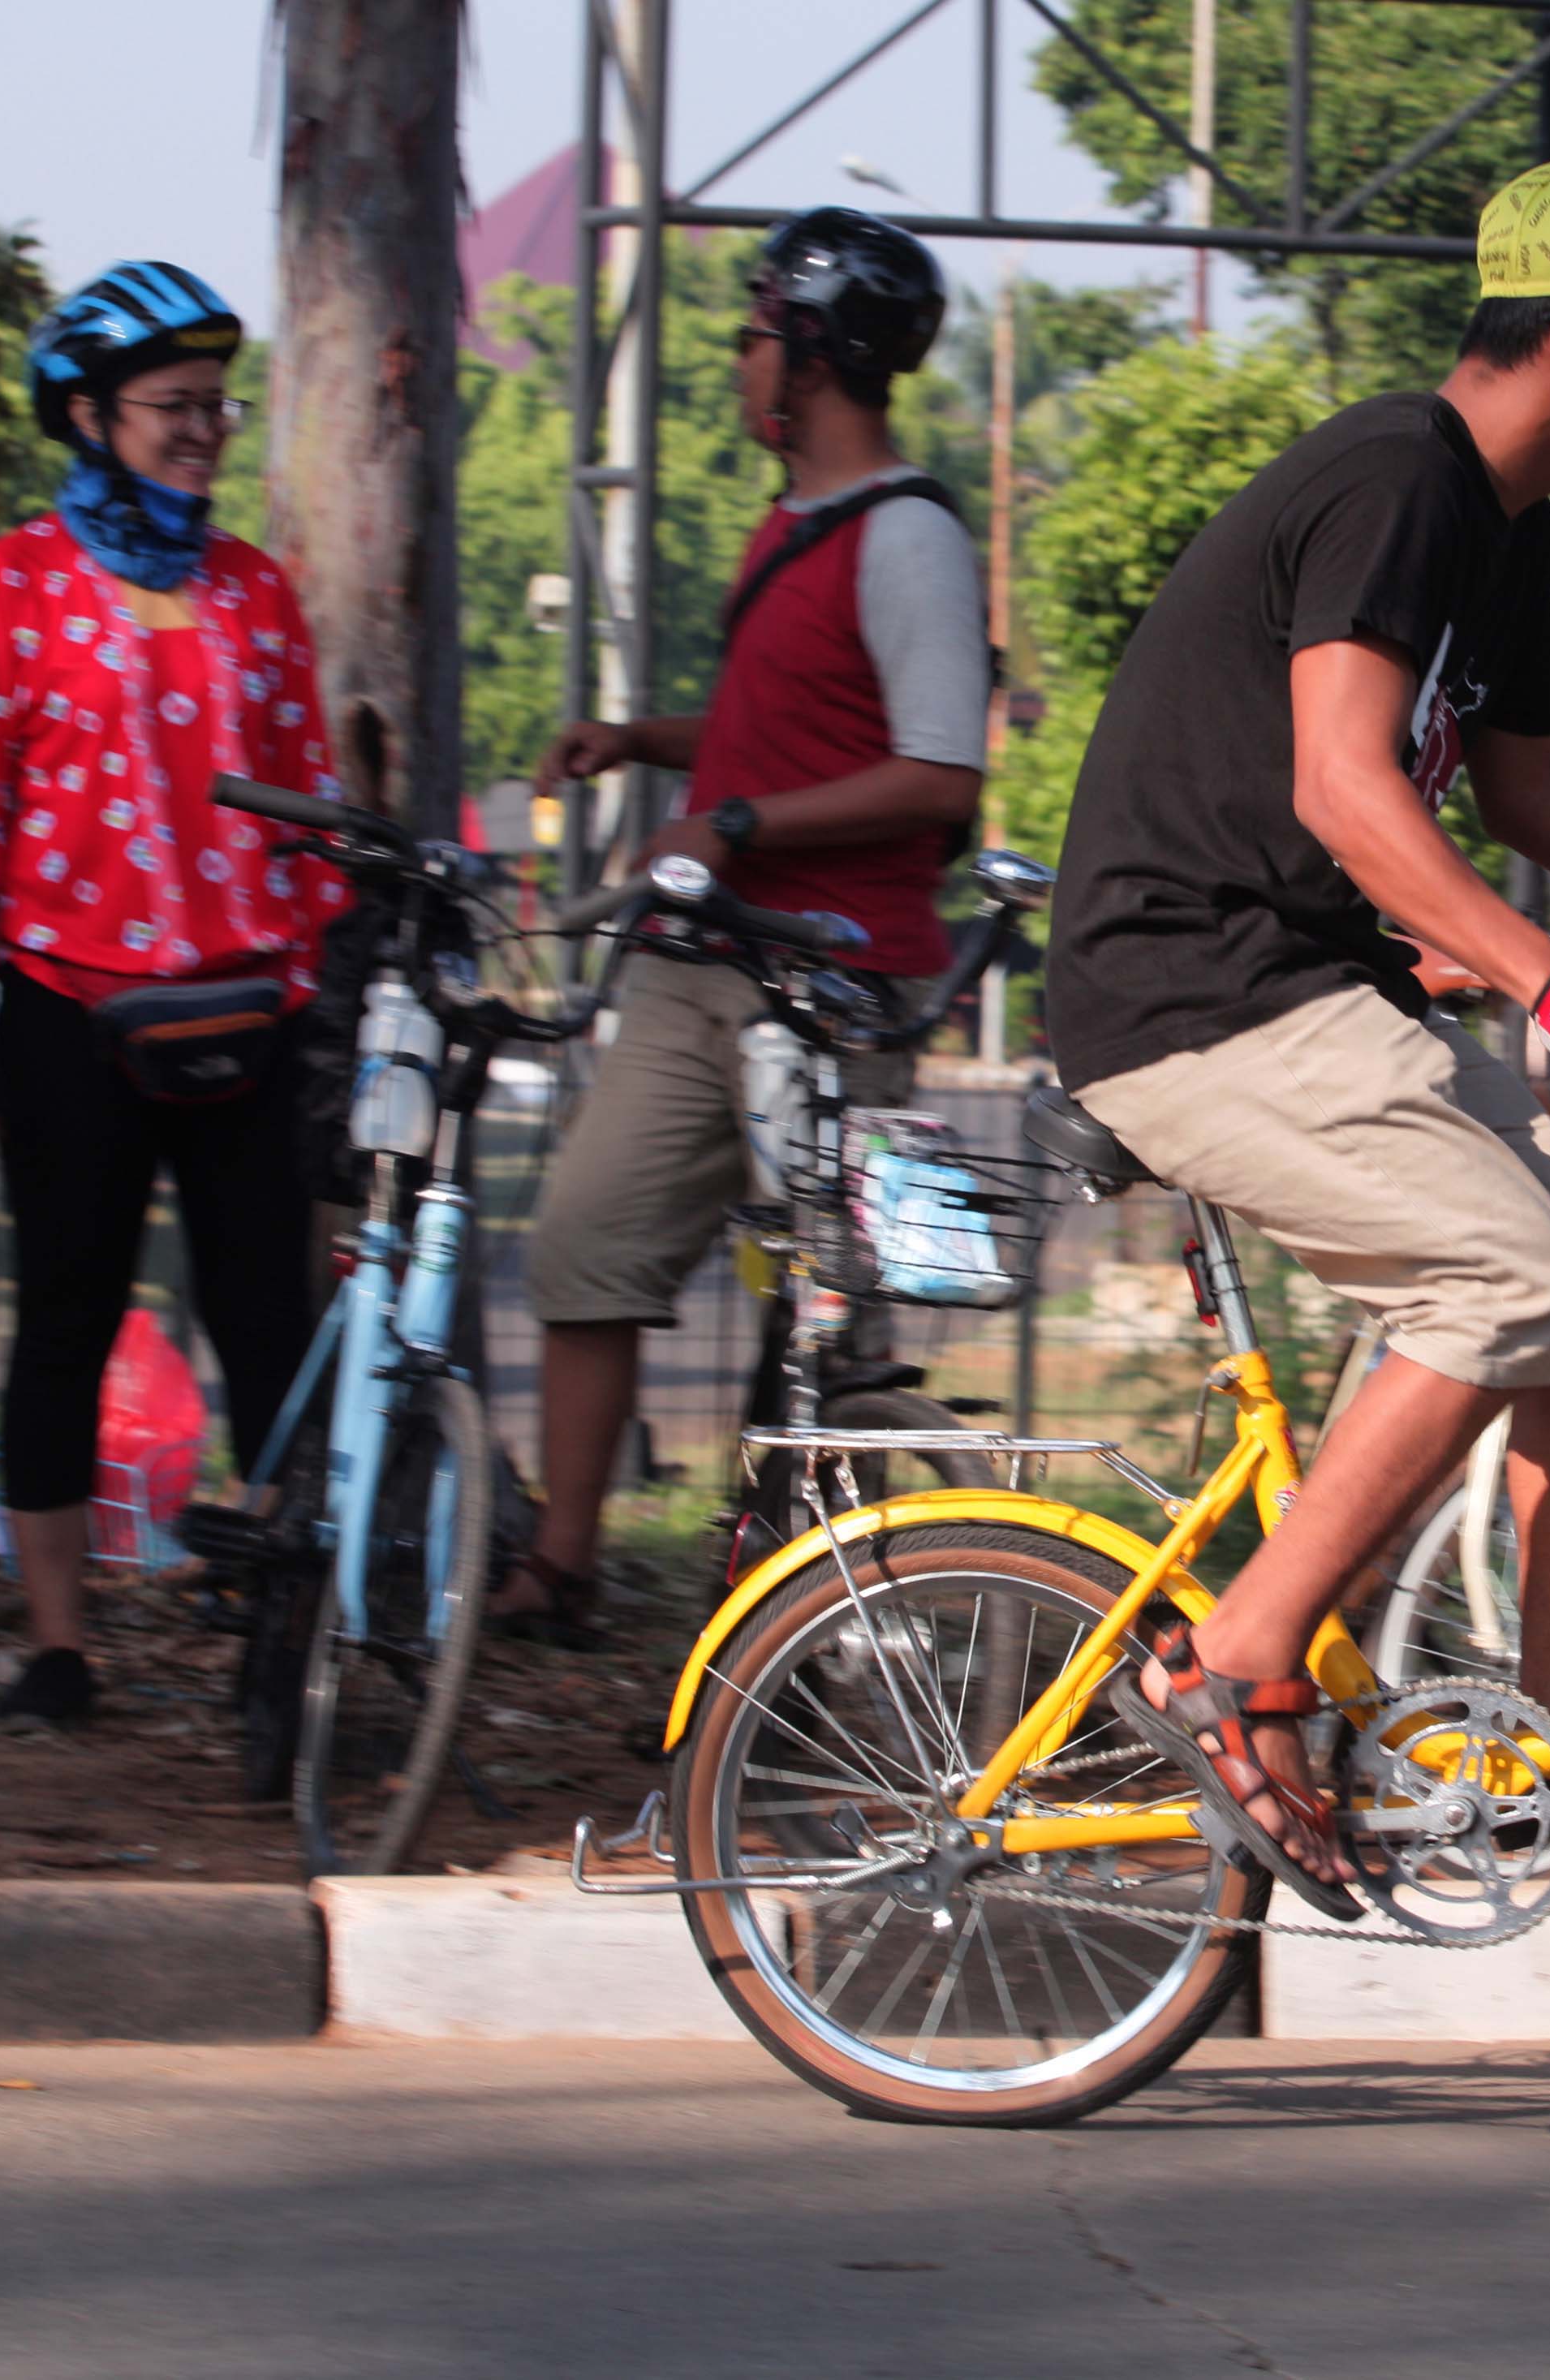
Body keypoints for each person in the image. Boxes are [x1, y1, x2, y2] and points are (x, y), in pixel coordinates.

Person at [1046, 157, 1550, 1917]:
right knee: (1501, 1276)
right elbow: (1346, 789)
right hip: (1195, 989)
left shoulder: (1500, 525)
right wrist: (1544, 979)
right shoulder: (1393, 480)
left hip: (1303, 992)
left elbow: (1536, 790)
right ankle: (1238, 1659)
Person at [507, 206, 988, 1639]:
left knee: (833, 1330)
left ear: (817, 355)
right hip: (701, 969)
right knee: (585, 1246)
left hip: (833, 988)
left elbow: (940, 769)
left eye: (760, 332)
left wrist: (731, 825)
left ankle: (817, 1627)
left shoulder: (906, 539)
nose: (741, 360)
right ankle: (566, 1561)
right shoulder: (793, 527)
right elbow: (782, 727)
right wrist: (646, 743)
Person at [0, 261, 353, 1729]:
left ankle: (282, 1649)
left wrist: (329, 984)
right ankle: (59, 1644)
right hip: (64, 1013)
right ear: (91, 416)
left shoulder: (254, 592)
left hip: (243, 1019)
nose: (205, 430)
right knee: (67, 1316)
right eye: (174, 406)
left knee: (267, 1333)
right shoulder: (9, 584)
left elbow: (309, 817)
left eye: (217, 405)